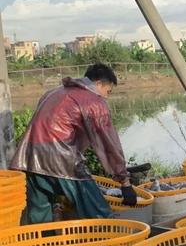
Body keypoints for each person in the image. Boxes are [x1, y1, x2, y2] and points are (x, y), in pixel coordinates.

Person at [10, 63, 137, 223]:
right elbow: (109, 144)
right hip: (62, 160)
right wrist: (124, 182)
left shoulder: (53, 92)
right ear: (98, 83)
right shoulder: (94, 102)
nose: (106, 96)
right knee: (99, 214)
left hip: (29, 158)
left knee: (40, 218)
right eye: (108, 91)